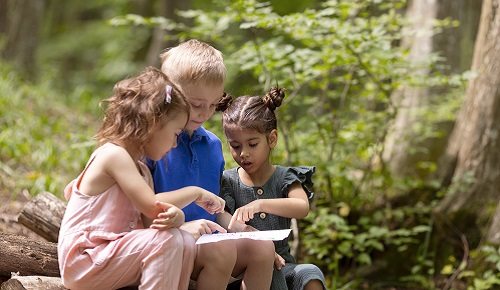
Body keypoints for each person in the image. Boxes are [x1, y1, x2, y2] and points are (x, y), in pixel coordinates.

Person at [58, 67, 226, 290]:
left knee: (183, 240)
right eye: (175, 134)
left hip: (111, 255)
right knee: (169, 240)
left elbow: (151, 224)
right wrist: (195, 193)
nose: (175, 144)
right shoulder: (113, 155)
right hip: (85, 258)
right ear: (153, 124)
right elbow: (152, 207)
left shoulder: (141, 171)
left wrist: (175, 220)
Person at [148, 39, 275, 290]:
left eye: (213, 105)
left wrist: (236, 225)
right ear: (169, 93)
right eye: (196, 105)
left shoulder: (212, 145)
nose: (204, 114)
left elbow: (212, 208)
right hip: (167, 236)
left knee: (262, 247)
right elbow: (141, 208)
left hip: (209, 237)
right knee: (222, 249)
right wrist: (182, 226)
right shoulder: (154, 142)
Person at [218, 87, 327, 290]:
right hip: (244, 268)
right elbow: (223, 219)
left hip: (285, 264)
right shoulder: (228, 181)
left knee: (310, 274)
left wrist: (261, 204)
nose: (244, 153)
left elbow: (301, 207)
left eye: (252, 144)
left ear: (272, 139)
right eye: (235, 146)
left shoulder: (284, 177)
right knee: (269, 268)